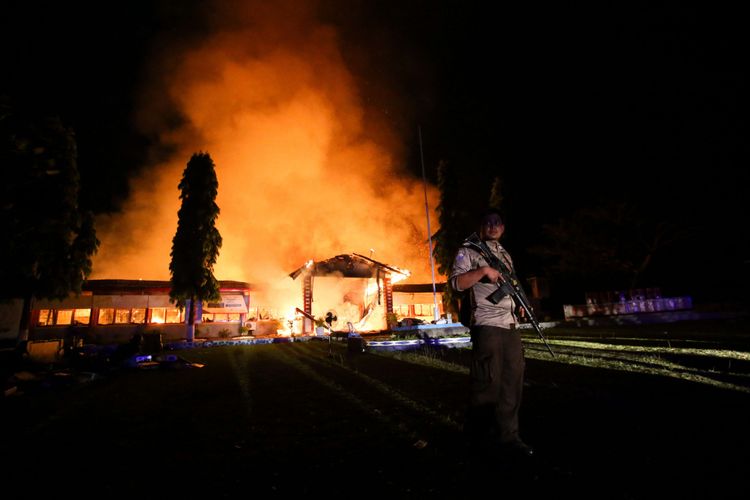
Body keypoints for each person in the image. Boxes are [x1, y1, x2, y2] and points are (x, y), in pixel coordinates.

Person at [449, 207, 534, 458]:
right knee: (487, 384)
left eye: (498, 222)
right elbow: (456, 283)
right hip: (487, 325)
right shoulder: (469, 250)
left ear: (503, 228)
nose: (493, 226)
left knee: (512, 384)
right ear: (481, 226)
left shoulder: (505, 254)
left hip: (509, 327)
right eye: (488, 222)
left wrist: (519, 306)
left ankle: (509, 437)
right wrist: (483, 271)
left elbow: (510, 285)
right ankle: (477, 441)